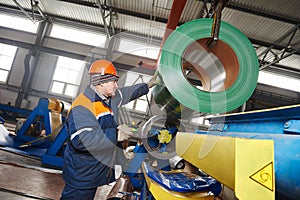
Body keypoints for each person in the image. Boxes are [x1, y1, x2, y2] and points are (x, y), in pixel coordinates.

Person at [60, 60, 158, 200]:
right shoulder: (82, 106)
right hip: (82, 173)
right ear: (101, 82)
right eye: (114, 81)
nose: (117, 86)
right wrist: (117, 134)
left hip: (93, 170)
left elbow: (128, 92)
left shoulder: (109, 98)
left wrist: (148, 85)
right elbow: (82, 140)